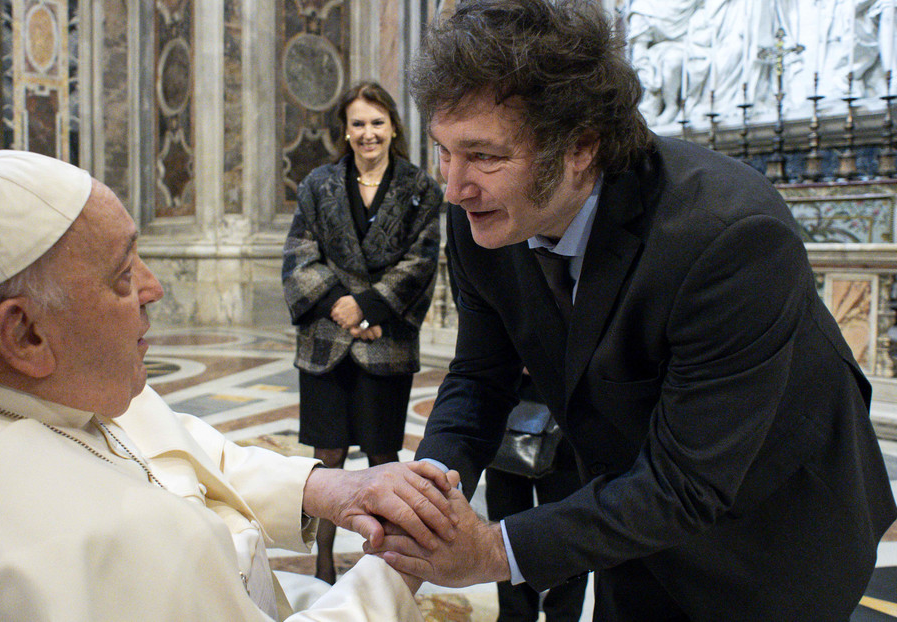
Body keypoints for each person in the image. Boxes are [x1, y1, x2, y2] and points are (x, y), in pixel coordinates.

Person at [367, 1, 897, 620]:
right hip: (629, 520)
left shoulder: (729, 236)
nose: (454, 187)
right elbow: (482, 377)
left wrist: (493, 550)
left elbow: (687, 484)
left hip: (771, 539)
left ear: (581, 148)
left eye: (484, 156)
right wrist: (426, 489)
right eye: (443, 150)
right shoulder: (483, 220)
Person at [0, 150, 459, 621]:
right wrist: (397, 571)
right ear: (25, 335)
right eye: (120, 274)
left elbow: (165, 444)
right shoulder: (91, 536)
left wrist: (323, 486)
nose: (153, 287)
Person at [282, 82, 444, 584]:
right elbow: (298, 256)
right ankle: (324, 563)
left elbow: (421, 263)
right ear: (345, 131)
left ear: (393, 126)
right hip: (327, 344)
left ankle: (383, 562)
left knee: (383, 458)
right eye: (357, 123)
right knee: (326, 460)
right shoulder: (317, 185)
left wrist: (371, 311)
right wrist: (343, 310)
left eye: (377, 122)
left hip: (386, 343)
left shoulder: (420, 188)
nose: (367, 133)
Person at [485, 376, 585, 622]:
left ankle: (564, 616)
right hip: (505, 404)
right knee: (504, 531)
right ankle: (514, 615)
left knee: (569, 533)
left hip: (570, 411)